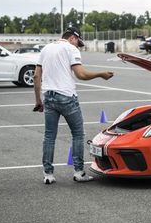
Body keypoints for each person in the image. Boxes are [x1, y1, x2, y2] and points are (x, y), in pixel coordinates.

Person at [33, 27, 114, 184]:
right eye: (78, 42)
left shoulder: (46, 48)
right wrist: (101, 74)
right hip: (67, 97)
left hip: (49, 96)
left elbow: (37, 76)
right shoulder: (71, 49)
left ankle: (48, 174)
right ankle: (79, 172)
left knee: (49, 136)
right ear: (72, 38)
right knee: (78, 134)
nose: (78, 46)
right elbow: (81, 75)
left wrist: (38, 101)